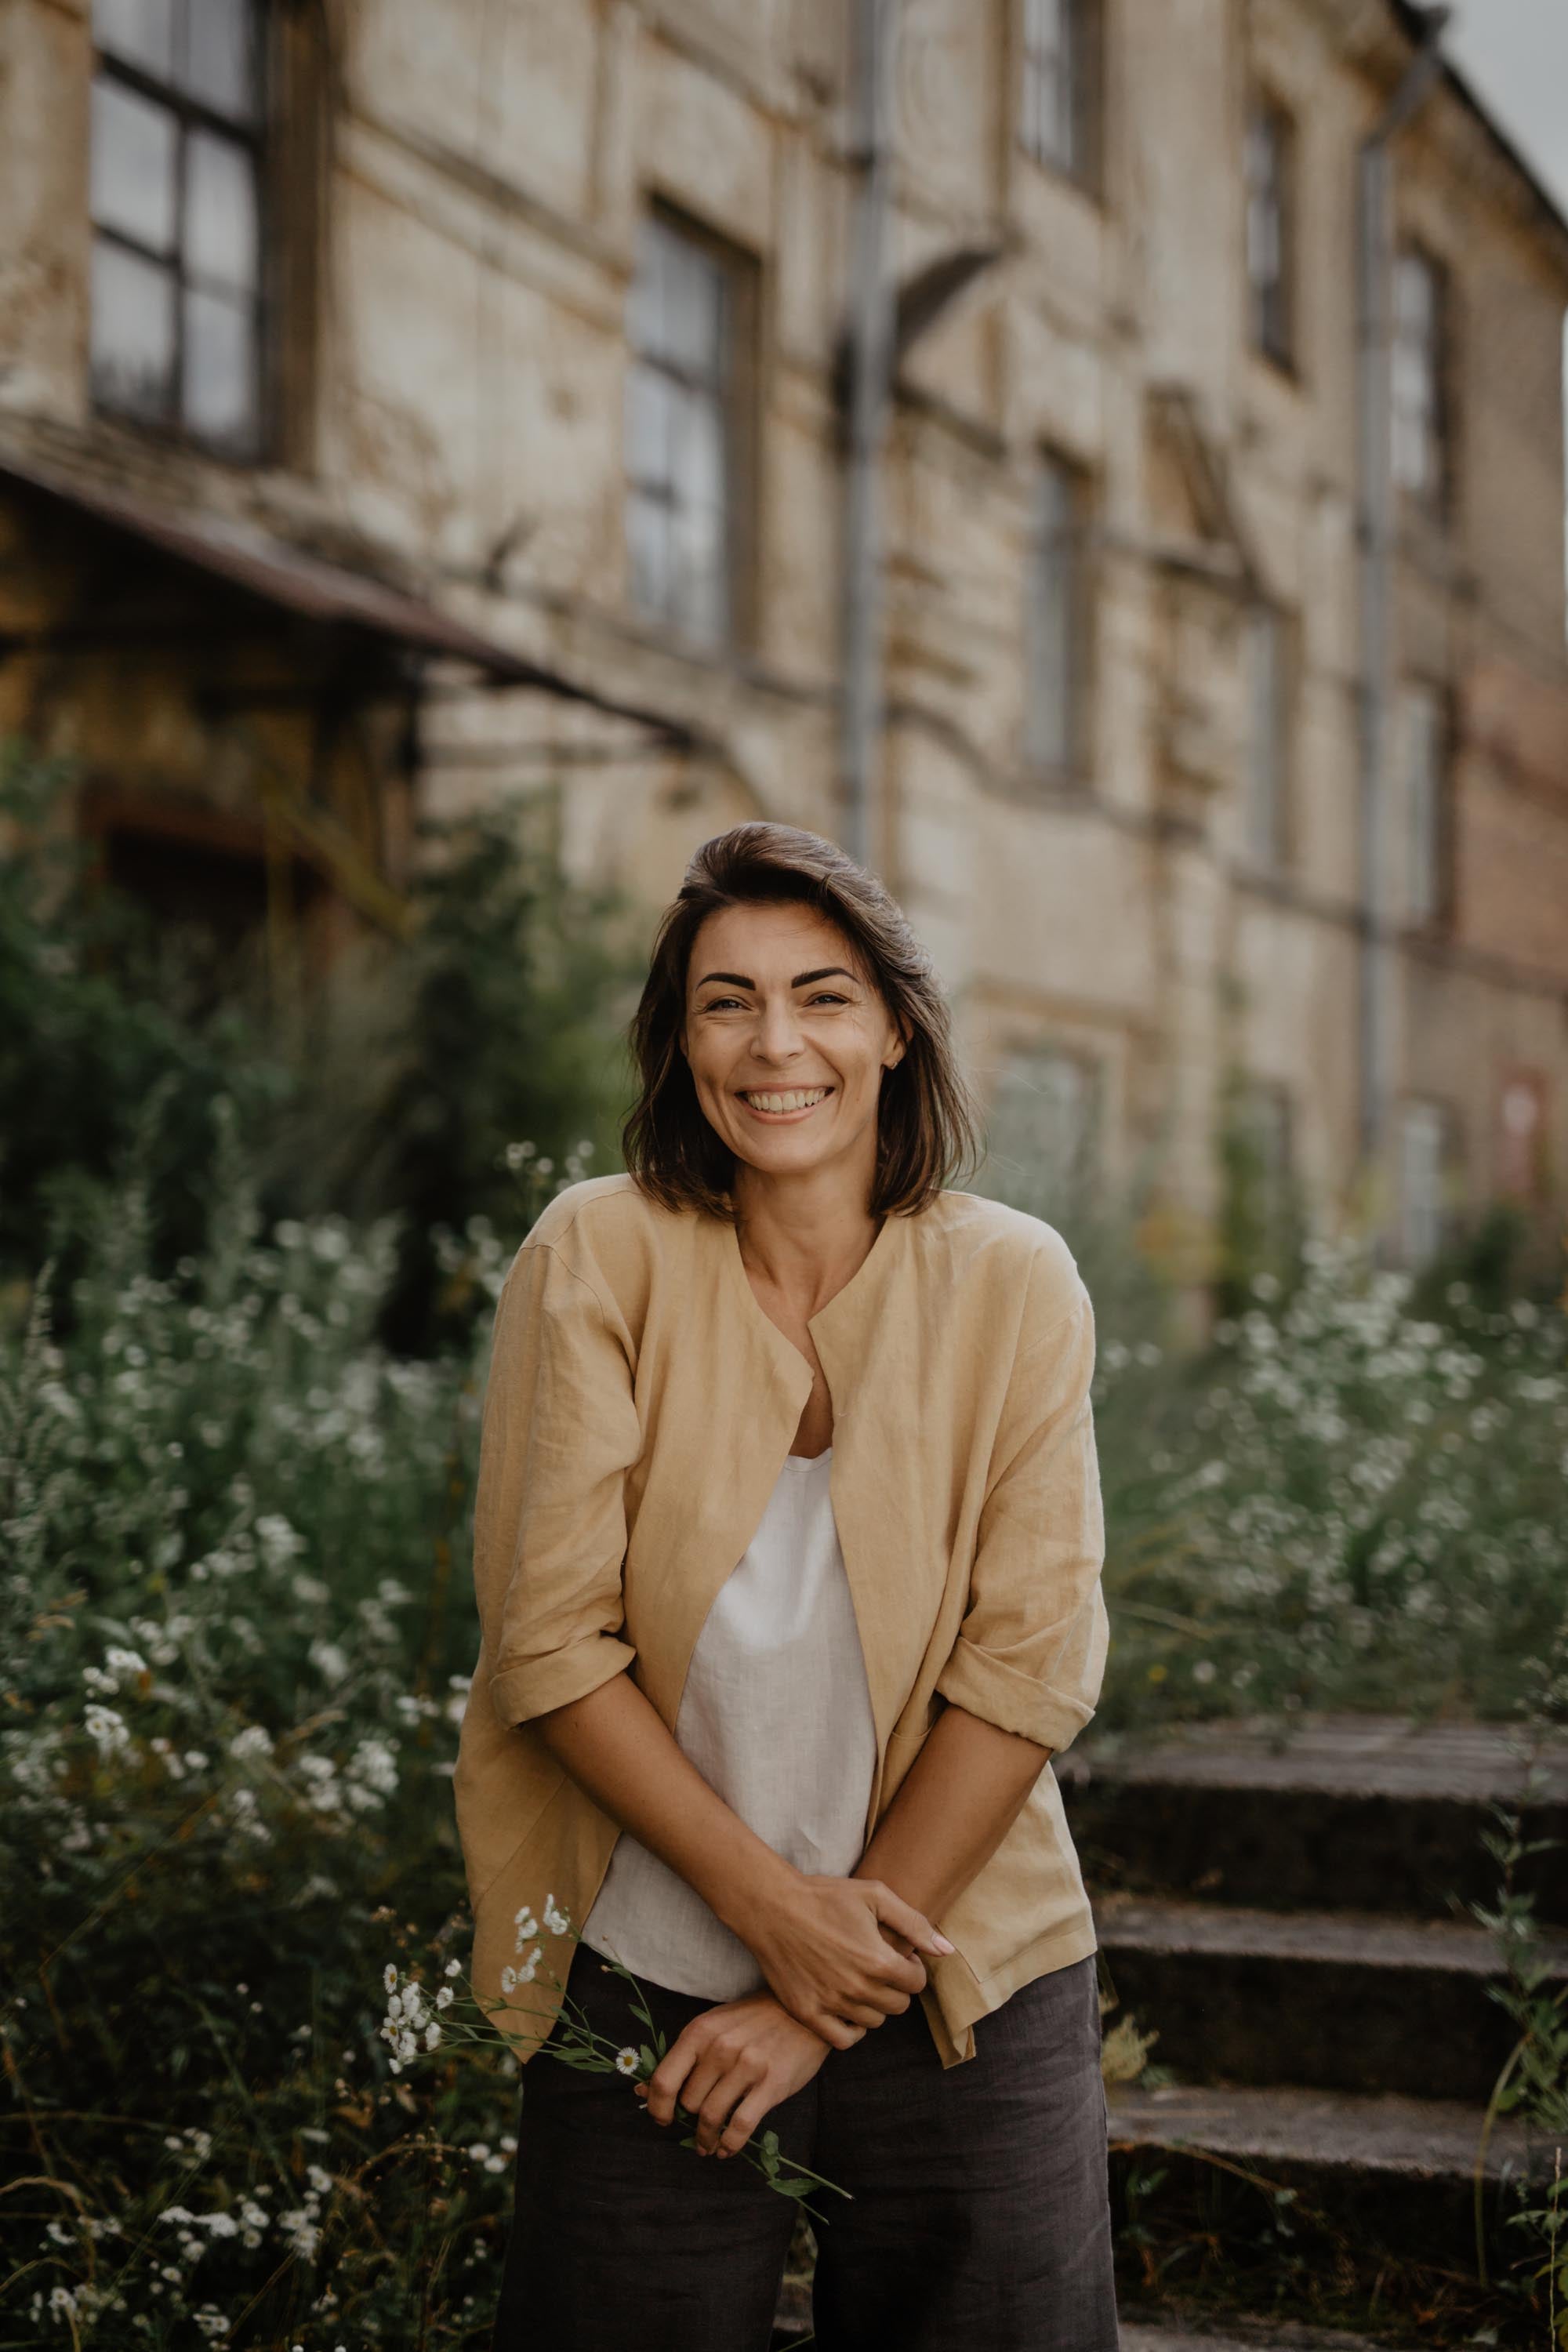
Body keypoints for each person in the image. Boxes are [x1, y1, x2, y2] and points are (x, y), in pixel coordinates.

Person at [455, 821, 1120, 2352]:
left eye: (821, 996)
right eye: (724, 1002)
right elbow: (549, 1645)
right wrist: (773, 1923)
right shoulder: (596, 1254)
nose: (774, 1045)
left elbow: (1028, 1668)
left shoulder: (1015, 1282)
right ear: (678, 1039)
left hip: (961, 1957)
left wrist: (819, 1992)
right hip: (646, 1963)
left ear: (895, 1025)